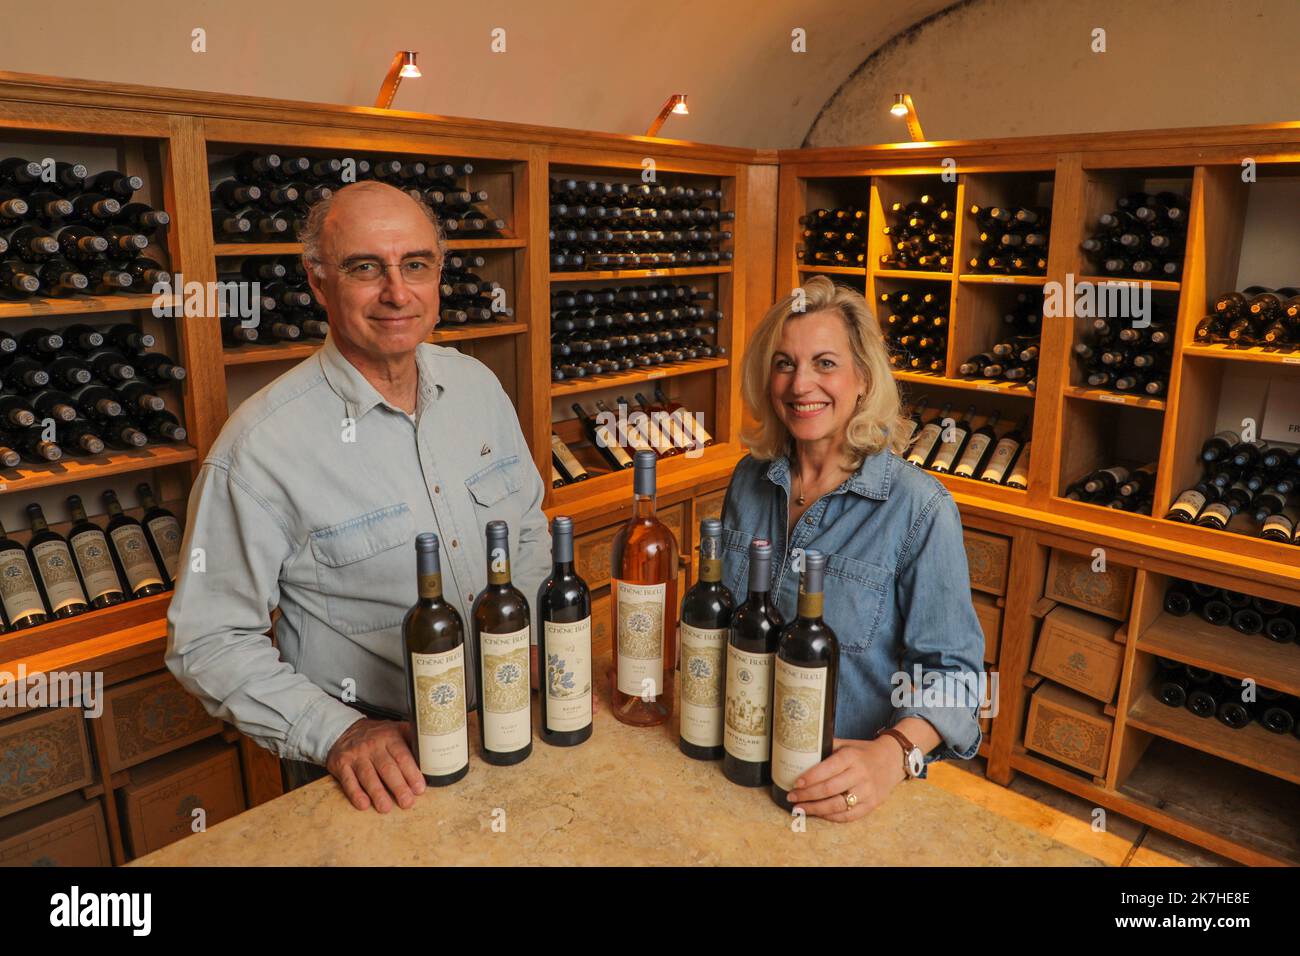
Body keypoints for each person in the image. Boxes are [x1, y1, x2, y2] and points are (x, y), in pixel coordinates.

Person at [166, 181, 551, 813]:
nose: (397, 293)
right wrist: (338, 733)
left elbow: (527, 527)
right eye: (365, 268)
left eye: (416, 265)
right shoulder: (262, 446)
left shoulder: (478, 387)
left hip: (507, 722)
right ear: (319, 283)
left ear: (438, 275)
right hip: (380, 763)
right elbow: (207, 639)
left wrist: (534, 646)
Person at [720, 275, 984, 823]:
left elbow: (956, 676)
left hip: (841, 794)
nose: (801, 386)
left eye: (825, 363)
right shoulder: (748, 481)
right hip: (736, 770)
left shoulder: (919, 509)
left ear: (863, 378)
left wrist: (895, 755)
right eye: (784, 364)